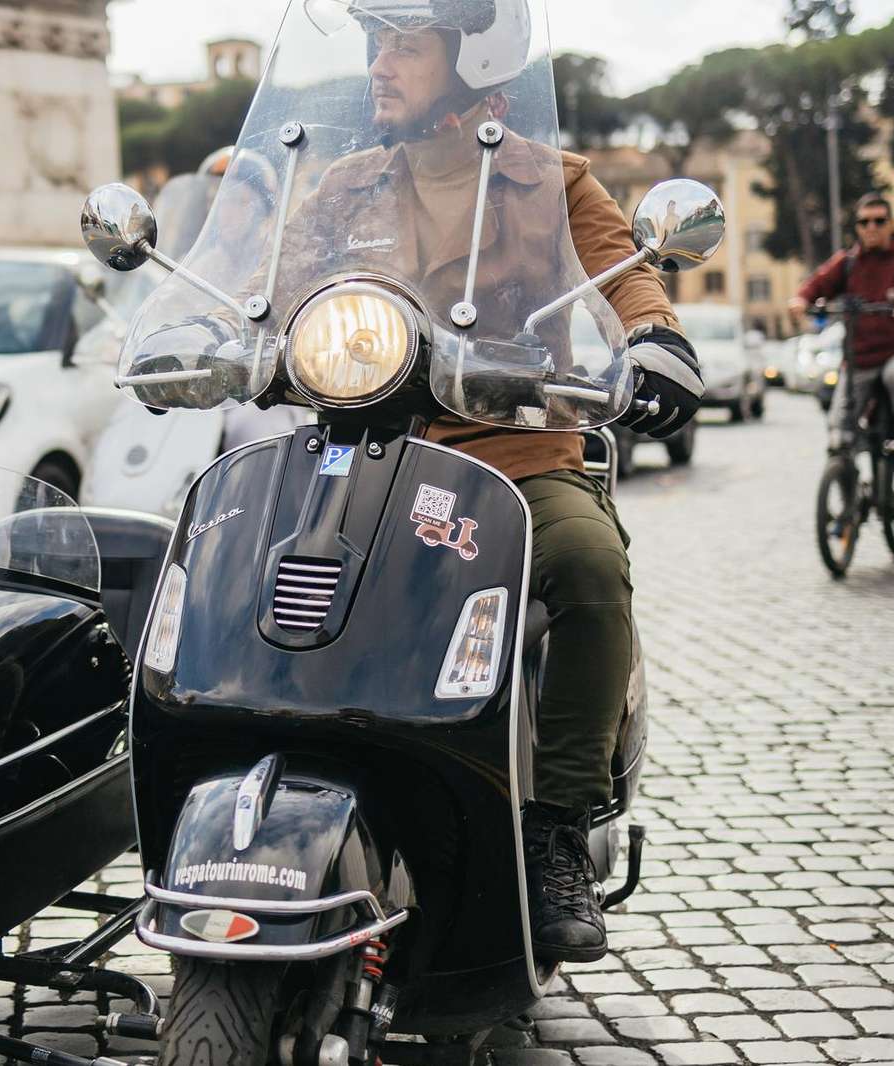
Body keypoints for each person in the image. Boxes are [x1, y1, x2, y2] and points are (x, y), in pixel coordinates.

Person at [175, 0, 702, 964]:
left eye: (407, 46)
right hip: (359, 450)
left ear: (473, 61)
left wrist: (656, 339)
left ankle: (554, 828)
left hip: (511, 454)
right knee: (226, 552)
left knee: (588, 570)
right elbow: (278, 282)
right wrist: (211, 334)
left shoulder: (554, 182)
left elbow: (624, 274)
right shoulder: (344, 183)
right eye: (377, 44)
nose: (381, 64)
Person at [789, 192, 894, 472]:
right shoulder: (847, 262)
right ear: (857, 227)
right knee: (839, 425)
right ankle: (846, 485)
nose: (871, 227)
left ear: (891, 224)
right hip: (859, 358)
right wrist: (800, 299)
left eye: (879, 221)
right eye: (864, 222)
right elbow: (817, 283)